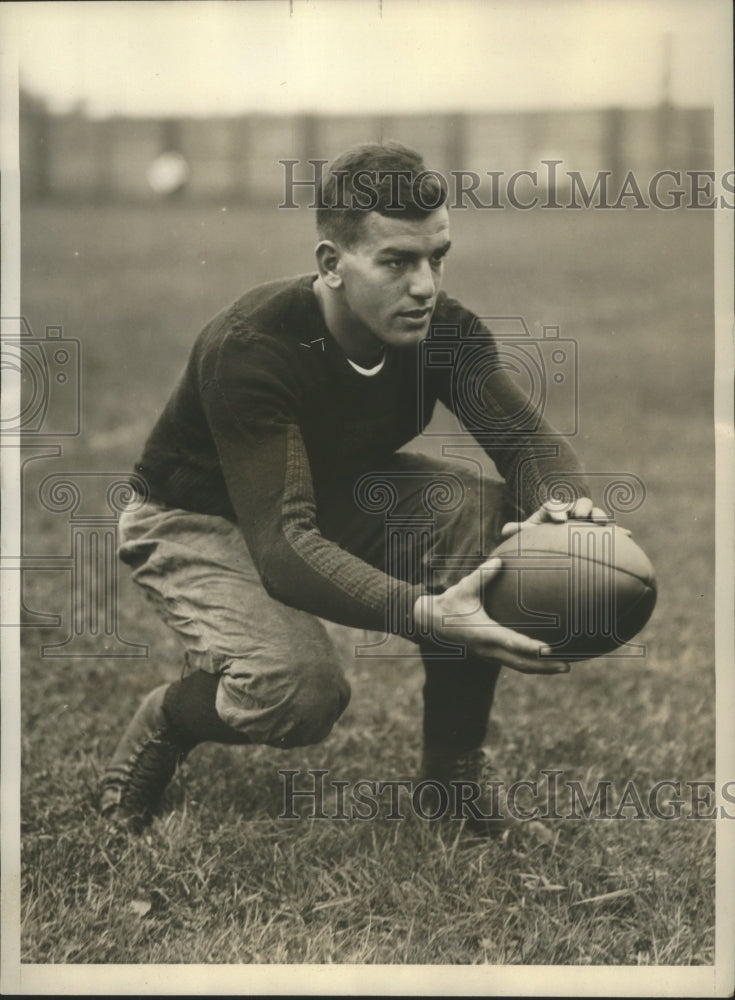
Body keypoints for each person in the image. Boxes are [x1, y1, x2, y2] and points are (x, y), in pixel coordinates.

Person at [100, 141, 605, 834]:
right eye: (396, 261)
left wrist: (567, 513)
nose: (424, 284)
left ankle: (450, 787)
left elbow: (525, 443)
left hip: (328, 492)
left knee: (478, 520)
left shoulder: (441, 330)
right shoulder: (251, 344)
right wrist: (425, 613)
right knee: (299, 694)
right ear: (332, 265)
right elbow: (282, 546)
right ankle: (166, 718)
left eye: (436, 257)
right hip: (195, 514)